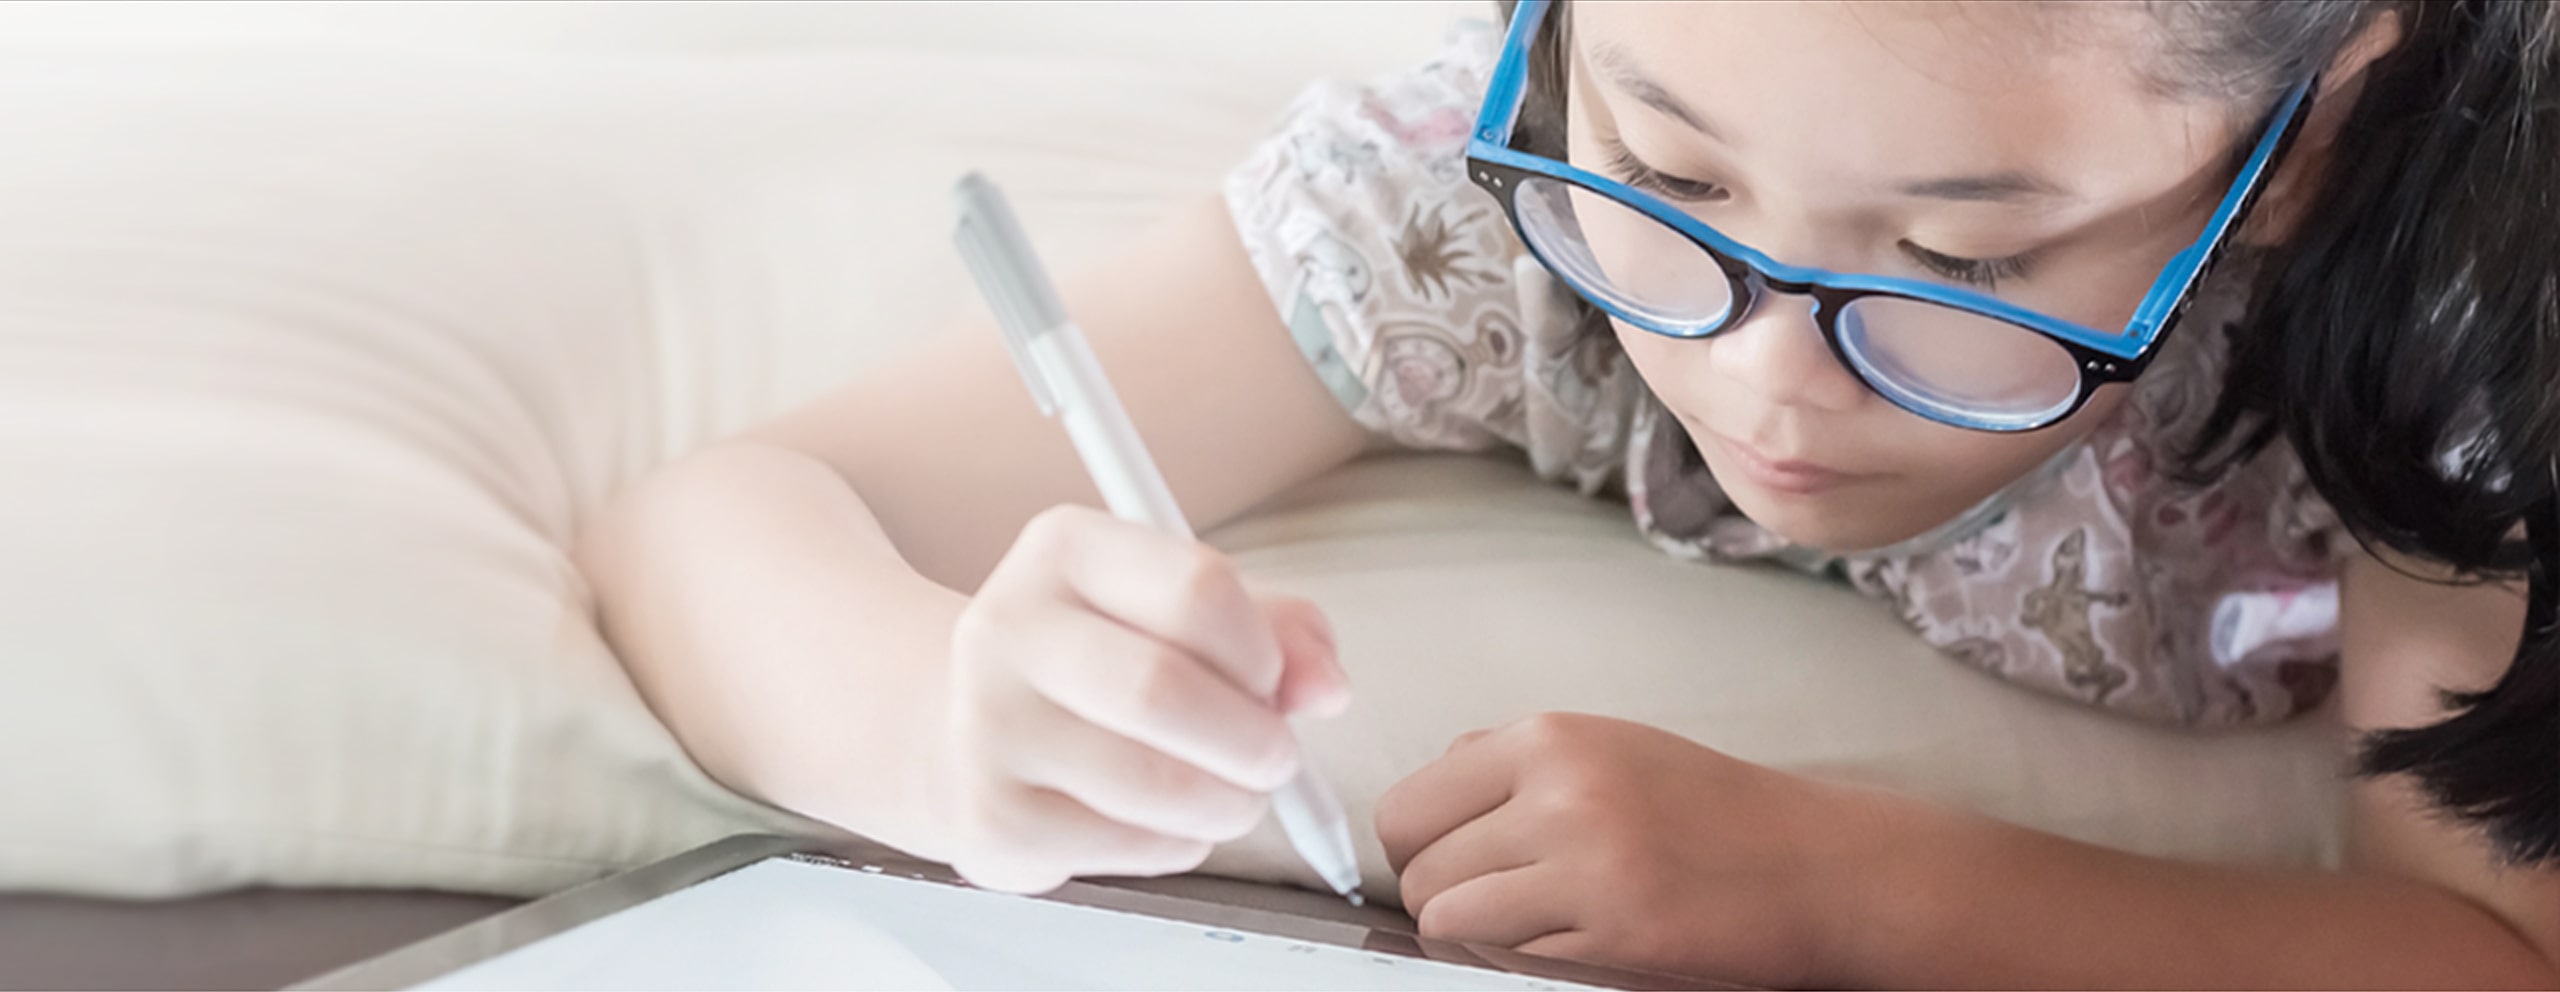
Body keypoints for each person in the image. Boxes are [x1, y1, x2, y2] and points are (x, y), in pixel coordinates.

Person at [575, 1, 2558, 985]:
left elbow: (2478, 946)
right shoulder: (1490, 212)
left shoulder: (2417, 334)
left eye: (1960, 266)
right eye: (1677, 175)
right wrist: (941, 728)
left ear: (2298, 140)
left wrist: (1837, 882)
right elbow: (716, 523)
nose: (1762, 376)